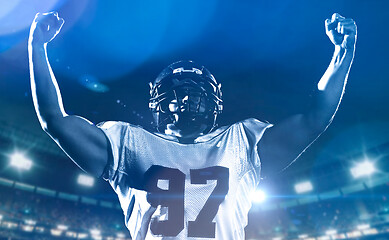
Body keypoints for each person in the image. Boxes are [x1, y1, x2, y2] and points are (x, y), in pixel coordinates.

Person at [28, 11, 357, 239]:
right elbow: (55, 121)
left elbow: (315, 119)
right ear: (159, 103)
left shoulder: (241, 140)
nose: (185, 103)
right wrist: (37, 48)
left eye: (194, 95)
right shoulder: (129, 142)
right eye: (177, 95)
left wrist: (343, 53)